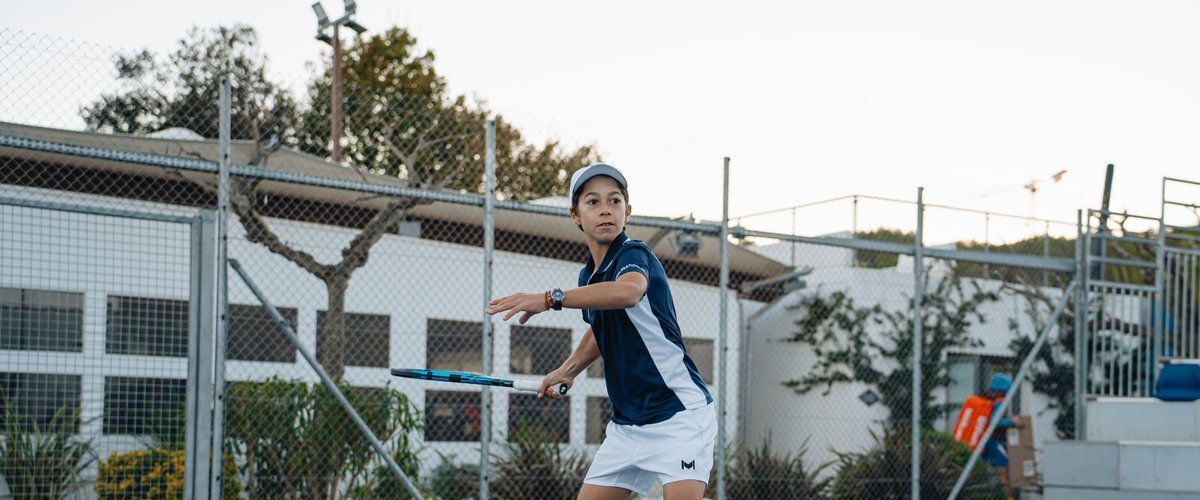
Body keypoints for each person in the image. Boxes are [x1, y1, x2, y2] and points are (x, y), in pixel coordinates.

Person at [486, 162, 716, 500]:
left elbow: (628, 292)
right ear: (575, 215)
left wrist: (550, 299)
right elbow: (600, 328)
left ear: (628, 211)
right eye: (592, 202)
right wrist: (567, 370)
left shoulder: (634, 254)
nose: (605, 210)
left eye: (614, 201)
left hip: (679, 415)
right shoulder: (588, 276)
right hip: (627, 427)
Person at [980, 373, 1025, 496]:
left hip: (983, 440)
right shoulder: (1000, 402)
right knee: (1004, 474)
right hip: (994, 442)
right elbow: (995, 421)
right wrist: (1012, 421)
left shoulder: (987, 399)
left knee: (980, 473)